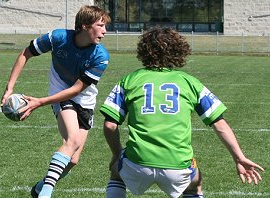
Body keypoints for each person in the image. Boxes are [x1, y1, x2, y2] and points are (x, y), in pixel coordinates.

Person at [99, 28, 264, 198]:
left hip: (138, 162)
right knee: (195, 184)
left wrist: (117, 153)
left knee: (116, 173)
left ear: (144, 50)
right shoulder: (190, 83)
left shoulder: (129, 80)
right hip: (178, 165)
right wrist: (239, 158)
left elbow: (110, 124)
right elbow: (219, 124)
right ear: (178, 50)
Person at [1, 5, 111, 198]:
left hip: (84, 100)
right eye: (100, 25)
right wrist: (10, 87)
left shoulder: (100, 56)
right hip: (60, 92)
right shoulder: (58, 37)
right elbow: (26, 53)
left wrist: (39, 102)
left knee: (73, 160)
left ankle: (39, 188)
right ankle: (46, 194)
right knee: (73, 139)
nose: (105, 31)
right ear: (85, 26)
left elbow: (77, 89)